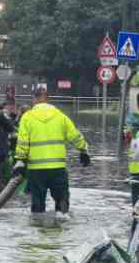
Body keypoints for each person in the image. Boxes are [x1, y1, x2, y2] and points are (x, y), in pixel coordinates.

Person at [12, 87, 90, 216]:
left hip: (36, 170)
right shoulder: (61, 116)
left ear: (34, 99)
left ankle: (37, 227)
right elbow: (75, 136)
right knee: (62, 203)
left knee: (37, 205)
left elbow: (22, 142)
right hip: (58, 169)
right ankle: (63, 224)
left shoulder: (27, 117)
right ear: (48, 99)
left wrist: (20, 160)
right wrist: (83, 150)